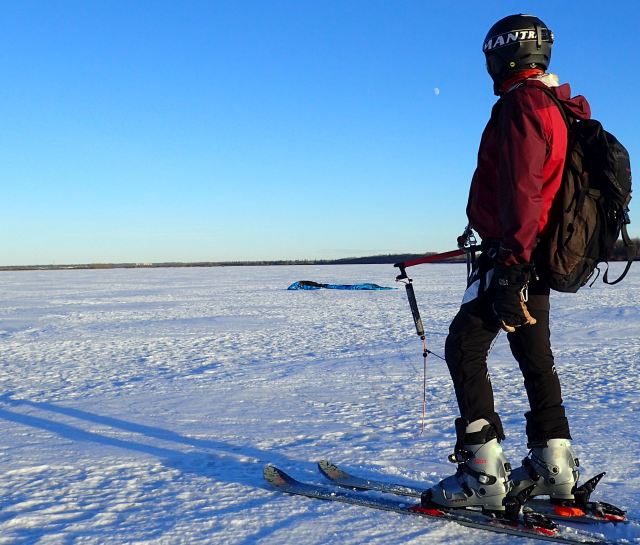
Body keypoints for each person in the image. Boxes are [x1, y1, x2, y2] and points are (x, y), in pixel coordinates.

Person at [423, 14, 592, 513]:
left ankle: (482, 475)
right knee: (534, 356)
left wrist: (512, 266)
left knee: (463, 347)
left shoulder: (522, 105)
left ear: (503, 55)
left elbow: (524, 191)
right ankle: (553, 467)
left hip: (516, 253)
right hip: (537, 252)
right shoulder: (555, 105)